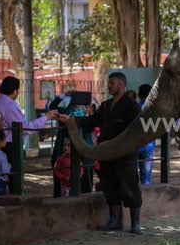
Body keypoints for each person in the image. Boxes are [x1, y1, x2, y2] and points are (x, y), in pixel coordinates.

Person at [59, 72, 142, 234]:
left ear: (121, 85)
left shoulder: (132, 107)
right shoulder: (105, 105)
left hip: (125, 156)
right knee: (109, 187)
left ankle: (135, 223)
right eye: (109, 83)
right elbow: (91, 121)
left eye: (112, 83)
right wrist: (71, 120)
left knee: (129, 187)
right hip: (105, 154)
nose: (109, 86)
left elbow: (137, 130)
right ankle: (114, 222)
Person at [0, 76, 58, 163]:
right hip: (8, 146)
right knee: (10, 173)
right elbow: (25, 128)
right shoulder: (9, 105)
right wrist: (46, 117)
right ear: (15, 91)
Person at [49, 89, 94, 197]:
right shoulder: (64, 111)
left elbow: (90, 129)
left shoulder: (87, 113)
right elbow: (52, 107)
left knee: (85, 177)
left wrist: (89, 115)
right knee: (64, 173)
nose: (79, 101)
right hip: (66, 148)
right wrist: (64, 95)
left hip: (84, 150)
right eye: (76, 98)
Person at [137, 84, 155, 185]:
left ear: (139, 94)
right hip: (148, 146)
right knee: (146, 178)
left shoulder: (136, 108)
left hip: (134, 146)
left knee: (131, 176)